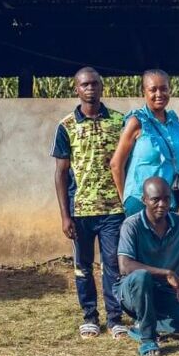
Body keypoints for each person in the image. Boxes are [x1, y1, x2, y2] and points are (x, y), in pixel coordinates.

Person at [51, 67, 127, 339]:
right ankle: (90, 317)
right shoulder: (67, 125)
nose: (90, 88)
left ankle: (116, 318)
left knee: (113, 266)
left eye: (95, 83)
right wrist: (65, 215)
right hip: (80, 210)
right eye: (85, 84)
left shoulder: (120, 122)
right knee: (82, 267)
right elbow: (60, 173)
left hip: (113, 210)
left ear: (102, 87)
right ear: (76, 89)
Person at [115, 177, 179, 356]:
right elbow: (125, 266)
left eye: (166, 198)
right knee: (142, 276)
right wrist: (167, 273)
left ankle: (142, 325)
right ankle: (148, 339)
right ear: (144, 200)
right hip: (132, 291)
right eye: (155, 199)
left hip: (164, 293)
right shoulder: (132, 225)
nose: (162, 204)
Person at [111, 69, 179, 216]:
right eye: (153, 89)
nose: (159, 94)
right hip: (140, 202)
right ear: (144, 92)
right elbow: (116, 164)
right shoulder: (137, 122)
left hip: (168, 202)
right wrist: (127, 200)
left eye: (164, 89)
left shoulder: (175, 124)